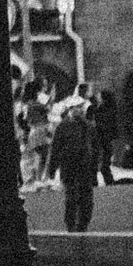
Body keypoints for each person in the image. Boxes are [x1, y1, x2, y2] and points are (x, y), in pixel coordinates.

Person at [50, 90, 98, 237]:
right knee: (71, 196)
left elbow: (95, 147)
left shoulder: (89, 126)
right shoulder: (62, 127)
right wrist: (52, 168)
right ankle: (71, 224)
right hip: (68, 165)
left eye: (79, 106)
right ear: (69, 109)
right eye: (73, 107)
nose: (77, 109)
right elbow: (56, 147)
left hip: (85, 165)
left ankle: (83, 224)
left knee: (86, 197)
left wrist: (95, 166)